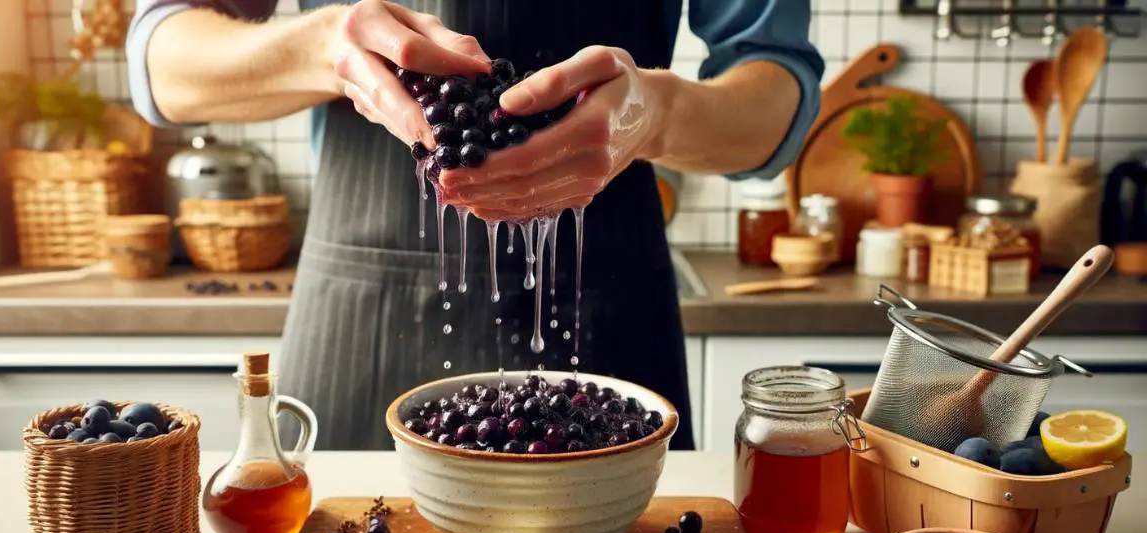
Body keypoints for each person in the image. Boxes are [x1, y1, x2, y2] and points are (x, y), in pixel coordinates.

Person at [128, 0, 824, 451]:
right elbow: (166, 67)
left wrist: (660, 114)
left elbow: (776, 95)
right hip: (355, 321)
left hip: (604, 310)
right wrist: (324, 47)